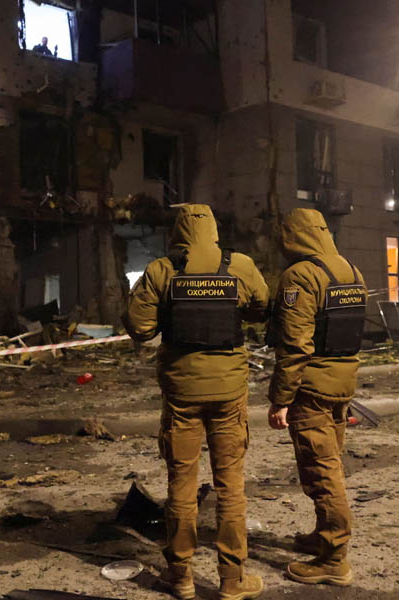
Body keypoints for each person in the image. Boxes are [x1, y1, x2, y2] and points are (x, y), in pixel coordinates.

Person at [125, 204, 269, 600]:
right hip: (228, 392)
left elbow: (139, 327)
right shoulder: (238, 265)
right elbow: (261, 307)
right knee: (231, 487)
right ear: (214, 231)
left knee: (181, 487)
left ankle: (181, 577)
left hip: (182, 393)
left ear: (179, 232)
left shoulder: (161, 270)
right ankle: (231, 581)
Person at [266, 208, 367, 586]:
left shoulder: (300, 276)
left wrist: (281, 399)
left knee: (320, 471)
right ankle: (322, 536)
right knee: (331, 463)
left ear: (293, 236)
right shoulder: (350, 271)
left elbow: (295, 346)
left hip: (312, 388)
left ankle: (334, 559)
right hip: (342, 382)